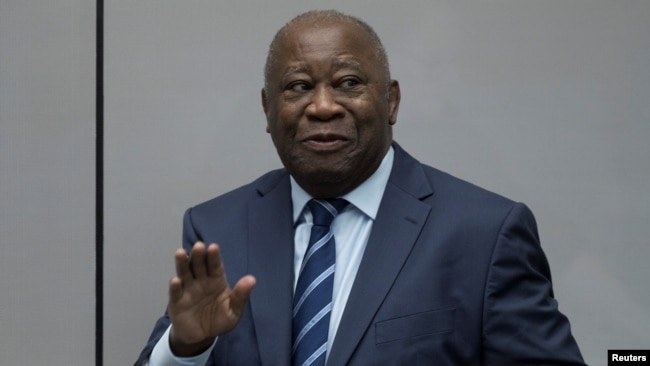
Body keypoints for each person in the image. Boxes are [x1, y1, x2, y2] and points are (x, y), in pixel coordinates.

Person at [135, 10, 585, 366]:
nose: (324, 106)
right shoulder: (216, 229)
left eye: (348, 83)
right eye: (299, 87)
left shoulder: (485, 234)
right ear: (268, 110)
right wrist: (186, 348)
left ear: (390, 101)